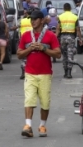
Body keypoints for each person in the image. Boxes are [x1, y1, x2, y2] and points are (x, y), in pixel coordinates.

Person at [17, 10, 61, 138]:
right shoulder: (25, 36)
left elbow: (58, 54)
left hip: (45, 74)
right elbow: (19, 54)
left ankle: (42, 125)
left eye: (36, 19)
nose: (33, 21)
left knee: (45, 102)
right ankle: (28, 126)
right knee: (29, 100)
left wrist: (44, 48)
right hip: (30, 73)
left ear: (42, 20)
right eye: (31, 19)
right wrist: (30, 48)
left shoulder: (50, 36)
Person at [57, 3, 82, 79]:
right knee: (70, 55)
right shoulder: (75, 17)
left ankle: (65, 72)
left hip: (62, 37)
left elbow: (58, 29)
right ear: (70, 8)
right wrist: (80, 39)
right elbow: (78, 29)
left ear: (64, 9)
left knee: (64, 55)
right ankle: (69, 73)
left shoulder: (60, 17)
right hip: (71, 37)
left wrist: (55, 38)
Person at [18, 9, 33, 80]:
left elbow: (18, 27)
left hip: (23, 40)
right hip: (32, 39)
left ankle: (23, 72)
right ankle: (31, 72)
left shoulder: (22, 20)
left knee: (23, 57)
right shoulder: (34, 21)